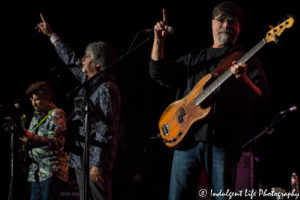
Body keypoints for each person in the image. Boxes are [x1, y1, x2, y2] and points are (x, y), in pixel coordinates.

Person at [149, 2, 270, 200]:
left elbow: (262, 100)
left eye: (232, 21)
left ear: (239, 27)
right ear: (212, 23)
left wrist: (243, 79)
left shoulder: (246, 58)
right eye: (221, 20)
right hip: (185, 141)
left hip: (222, 142)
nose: (226, 25)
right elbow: (158, 73)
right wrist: (158, 40)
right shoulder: (195, 58)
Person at [35, 13, 121, 200]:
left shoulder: (106, 89)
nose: (82, 59)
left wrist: (96, 163)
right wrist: (52, 36)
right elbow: (70, 59)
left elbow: (105, 128)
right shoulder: (88, 81)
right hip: (81, 155)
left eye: (87, 56)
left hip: (94, 160)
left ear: (97, 64)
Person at [19, 81, 68, 200]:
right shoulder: (36, 115)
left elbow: (58, 143)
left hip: (51, 172)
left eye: (37, 99)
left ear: (47, 97)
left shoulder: (57, 114)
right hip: (35, 174)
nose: (33, 103)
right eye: (31, 99)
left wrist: (31, 137)